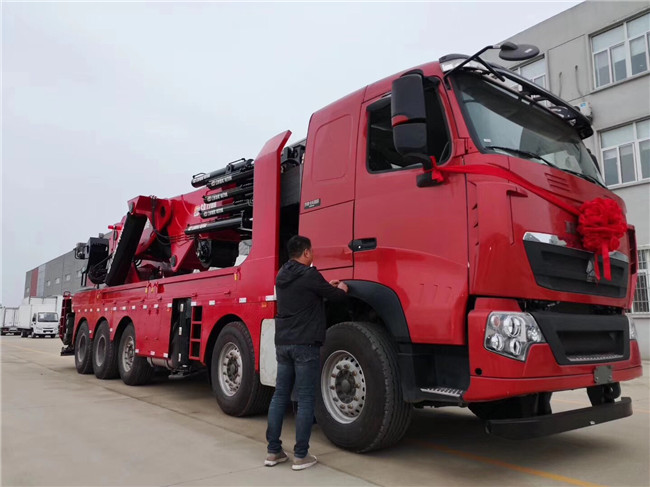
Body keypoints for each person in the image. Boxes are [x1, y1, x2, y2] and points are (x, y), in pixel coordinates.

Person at [265, 235, 348, 471]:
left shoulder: (281, 275)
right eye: (311, 252)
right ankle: (300, 455)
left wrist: (324, 288)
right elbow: (337, 297)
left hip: (283, 344)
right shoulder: (310, 274)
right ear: (306, 253)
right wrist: (341, 287)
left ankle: (273, 452)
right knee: (305, 399)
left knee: (280, 396)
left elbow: (310, 293)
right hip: (305, 346)